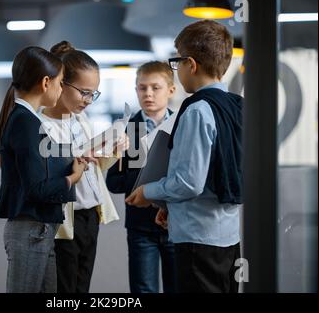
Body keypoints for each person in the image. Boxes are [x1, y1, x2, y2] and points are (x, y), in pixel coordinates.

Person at [126, 20, 243, 293]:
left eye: (177, 63)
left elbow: (189, 182)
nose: (177, 72)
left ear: (191, 64)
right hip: (228, 236)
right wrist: (169, 207)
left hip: (197, 241)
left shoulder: (197, 110)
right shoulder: (237, 106)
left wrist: (149, 191)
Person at [0, 46, 87, 293]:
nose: (61, 89)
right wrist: (71, 178)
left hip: (39, 228)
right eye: (60, 82)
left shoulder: (27, 119)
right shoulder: (26, 122)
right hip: (30, 229)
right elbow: (36, 187)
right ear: (46, 82)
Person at [39, 40, 126, 293]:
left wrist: (112, 150)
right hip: (66, 220)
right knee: (64, 288)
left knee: (82, 287)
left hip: (91, 214)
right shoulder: (42, 124)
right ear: (60, 82)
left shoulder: (80, 118)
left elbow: (94, 168)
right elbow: (53, 175)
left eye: (93, 93)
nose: (89, 100)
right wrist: (79, 156)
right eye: (84, 92)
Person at [106, 61, 177, 293]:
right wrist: (119, 157)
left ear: (171, 90)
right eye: (142, 87)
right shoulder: (125, 129)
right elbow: (113, 184)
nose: (148, 94)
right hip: (140, 226)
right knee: (143, 289)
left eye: (155, 87)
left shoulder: (183, 124)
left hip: (176, 223)